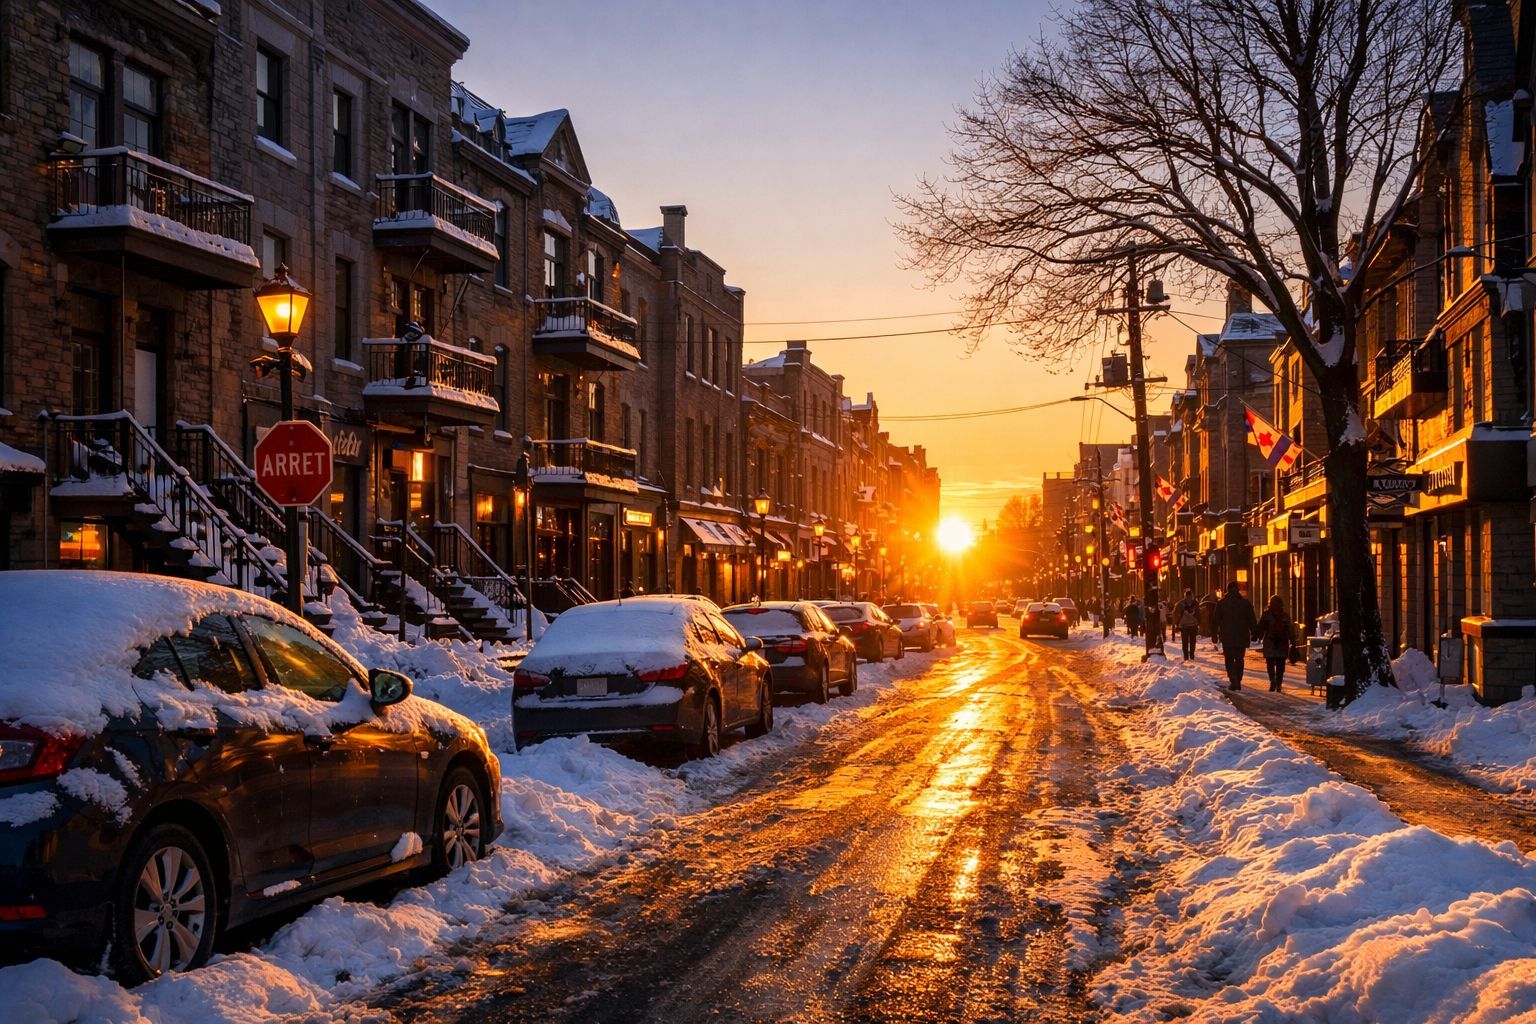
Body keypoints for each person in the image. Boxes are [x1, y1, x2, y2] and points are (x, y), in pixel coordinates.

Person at [1213, 581, 1258, 690]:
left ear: (1227, 590)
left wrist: (1214, 634)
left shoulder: (1222, 603)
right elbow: (1252, 620)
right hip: (1241, 636)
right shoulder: (1245, 603)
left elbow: (1215, 621)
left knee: (1229, 659)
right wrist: (1255, 633)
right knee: (1239, 659)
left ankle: (1233, 679)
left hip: (1227, 637)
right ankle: (1238, 679)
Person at [1257, 595, 1293, 691]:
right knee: (1281, 666)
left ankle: (1272, 680)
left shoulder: (1266, 615)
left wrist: (1257, 636)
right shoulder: (1285, 616)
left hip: (1270, 642)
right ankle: (1279, 684)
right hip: (1282, 643)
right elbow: (1290, 630)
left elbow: (1261, 627)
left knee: (1270, 664)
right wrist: (1293, 642)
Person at [1176, 588, 1201, 660]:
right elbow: (1177, 614)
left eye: (1190, 596)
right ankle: (1187, 656)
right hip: (1186, 626)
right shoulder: (1182, 604)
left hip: (1190, 625)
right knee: (1186, 641)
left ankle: (1190, 655)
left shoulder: (1194, 603)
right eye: (1188, 596)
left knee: (1190, 641)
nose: (1189, 598)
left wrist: (1198, 621)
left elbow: (1198, 613)